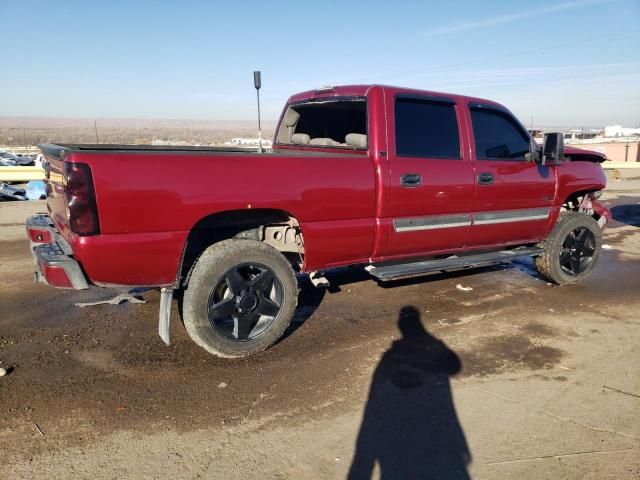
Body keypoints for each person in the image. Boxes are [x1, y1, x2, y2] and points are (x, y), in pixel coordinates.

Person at [348, 306, 471, 479]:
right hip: (438, 443)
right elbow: (454, 366)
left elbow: (374, 403)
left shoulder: (391, 357)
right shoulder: (430, 347)